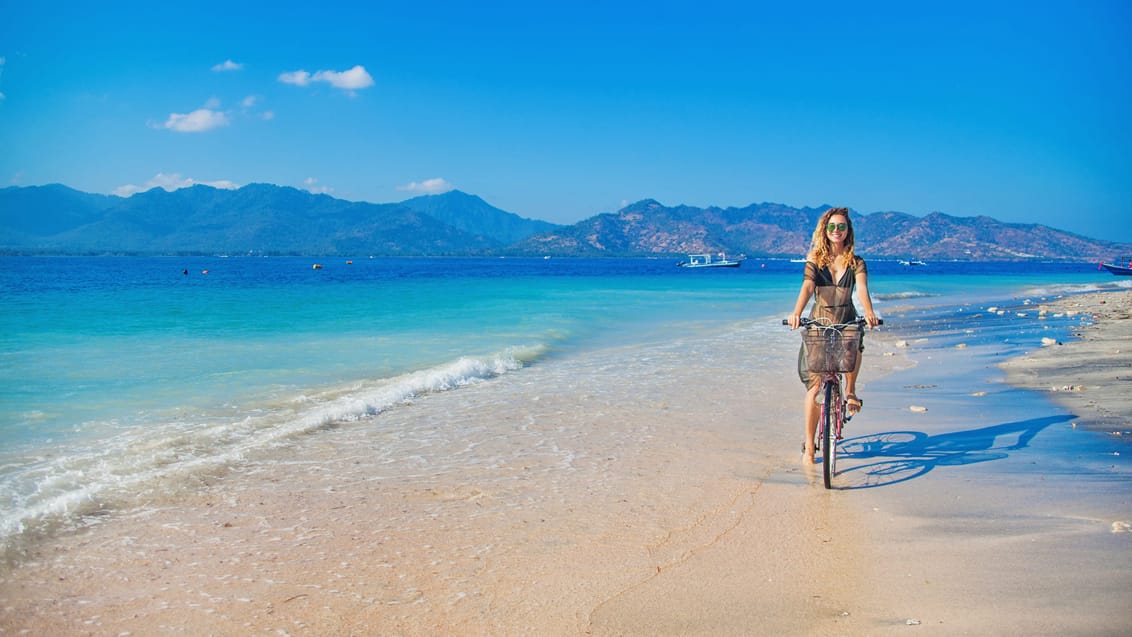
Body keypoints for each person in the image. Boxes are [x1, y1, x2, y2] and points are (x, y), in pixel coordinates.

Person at [786, 207, 880, 462]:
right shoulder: (815, 260)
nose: (836, 231)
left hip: (846, 318)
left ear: (848, 231)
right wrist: (796, 313)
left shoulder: (856, 262)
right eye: (832, 227)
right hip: (820, 321)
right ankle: (809, 444)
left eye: (841, 226)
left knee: (854, 341)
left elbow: (861, 289)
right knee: (815, 387)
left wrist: (869, 312)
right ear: (824, 231)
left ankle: (850, 391)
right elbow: (807, 287)